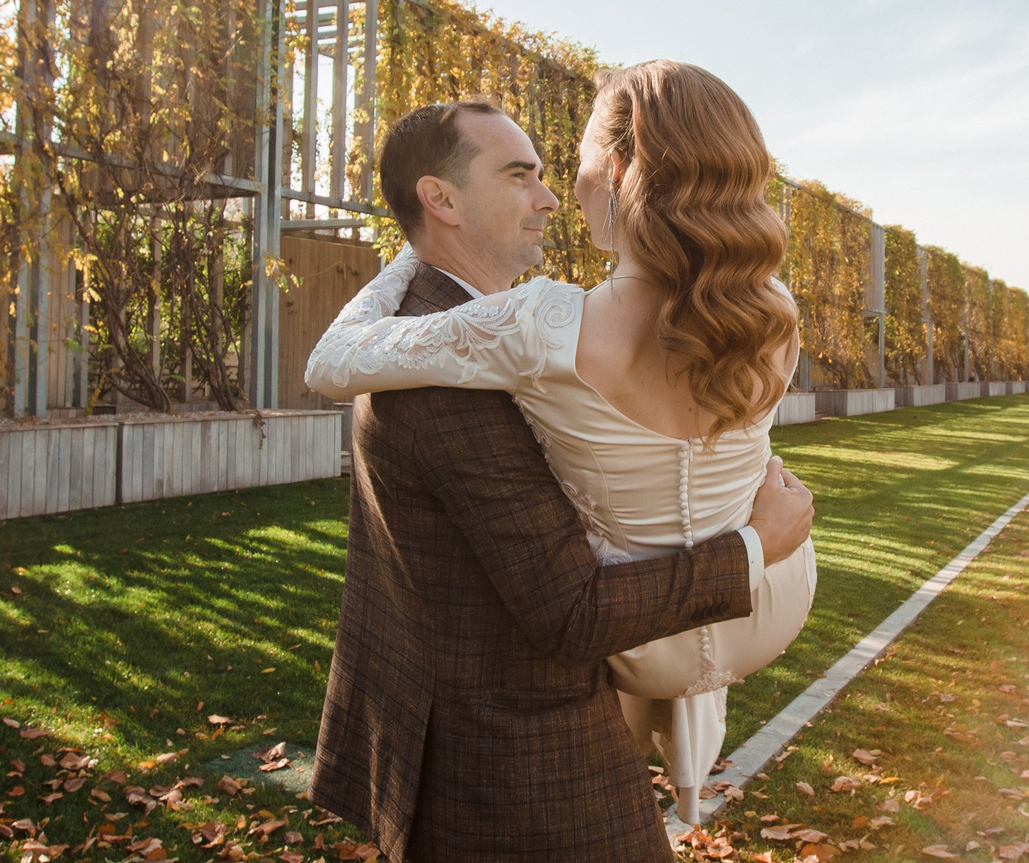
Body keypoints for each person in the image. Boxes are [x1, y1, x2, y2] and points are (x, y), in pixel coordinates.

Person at [309, 78, 814, 863]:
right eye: (520, 173)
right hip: (534, 765)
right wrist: (748, 548)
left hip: (492, 750)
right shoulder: (445, 362)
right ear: (442, 200)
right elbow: (568, 605)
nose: (548, 195)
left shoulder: (465, 327)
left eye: (553, 169)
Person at [307, 62, 816, 824]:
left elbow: (330, 361)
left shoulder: (542, 325)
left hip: (643, 641)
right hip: (773, 596)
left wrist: (414, 248)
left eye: (573, 162)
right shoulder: (772, 310)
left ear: (618, 169)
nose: (562, 191)